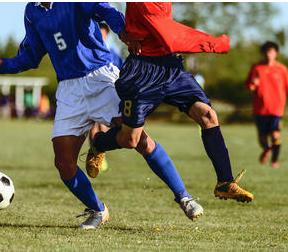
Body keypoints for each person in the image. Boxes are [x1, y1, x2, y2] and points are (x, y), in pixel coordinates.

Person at [0, 2, 202, 229]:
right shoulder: (32, 10)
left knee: (138, 139)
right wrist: (5, 65)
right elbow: (32, 55)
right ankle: (97, 209)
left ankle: (184, 197)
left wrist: (123, 31)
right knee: (64, 163)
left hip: (101, 79)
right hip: (69, 90)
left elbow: (106, 10)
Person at [87, 2, 254, 203]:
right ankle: (99, 143)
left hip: (170, 66)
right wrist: (216, 44)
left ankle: (225, 183)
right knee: (131, 139)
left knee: (208, 115)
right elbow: (171, 37)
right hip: (142, 71)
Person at [245, 41, 288, 168]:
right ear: (263, 53)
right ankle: (266, 149)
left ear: (276, 53)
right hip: (260, 110)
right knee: (262, 139)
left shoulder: (281, 69)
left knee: (275, 134)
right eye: (266, 52)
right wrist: (253, 84)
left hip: (276, 109)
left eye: (271, 52)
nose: (268, 54)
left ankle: (274, 161)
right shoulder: (257, 68)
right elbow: (248, 86)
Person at [88, 22, 125, 173]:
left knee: (103, 124)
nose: (101, 37)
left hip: (110, 91)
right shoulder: (89, 51)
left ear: (107, 35)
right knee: (93, 123)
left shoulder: (113, 53)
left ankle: (99, 150)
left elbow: (123, 71)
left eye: (103, 34)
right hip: (92, 90)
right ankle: (96, 153)